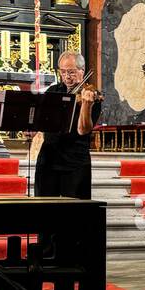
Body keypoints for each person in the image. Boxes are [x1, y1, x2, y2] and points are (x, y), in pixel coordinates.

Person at [35, 51, 98, 200]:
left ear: (82, 71)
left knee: (75, 212)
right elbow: (41, 118)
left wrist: (86, 105)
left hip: (75, 160)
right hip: (49, 158)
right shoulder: (53, 91)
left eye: (71, 72)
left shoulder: (91, 93)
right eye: (63, 72)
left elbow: (83, 130)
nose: (67, 77)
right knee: (43, 205)